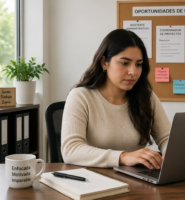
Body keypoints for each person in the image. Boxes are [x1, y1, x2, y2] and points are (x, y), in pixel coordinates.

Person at [61, 29, 171, 170]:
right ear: (104, 63)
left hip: (137, 180)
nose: (133, 72)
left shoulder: (147, 96)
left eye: (138, 64)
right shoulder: (81, 96)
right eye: (125, 63)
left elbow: (166, 138)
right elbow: (71, 150)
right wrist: (123, 157)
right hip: (93, 180)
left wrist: (170, 152)